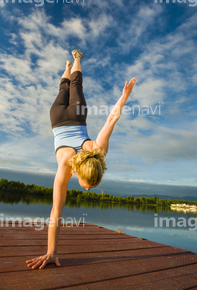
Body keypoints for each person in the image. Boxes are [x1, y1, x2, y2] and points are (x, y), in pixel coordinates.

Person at [26, 49, 136, 269]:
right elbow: (56, 211)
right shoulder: (64, 168)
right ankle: (70, 64)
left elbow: (112, 118)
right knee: (64, 89)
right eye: (87, 185)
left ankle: (74, 62)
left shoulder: (98, 150)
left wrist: (124, 97)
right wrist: (51, 252)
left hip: (76, 115)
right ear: (80, 172)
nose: (86, 189)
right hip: (56, 118)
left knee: (74, 86)